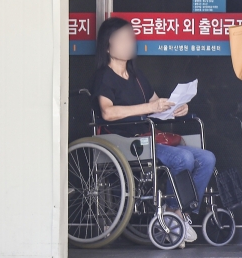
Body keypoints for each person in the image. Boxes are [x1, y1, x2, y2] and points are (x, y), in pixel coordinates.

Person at [90, 17, 216, 248]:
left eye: (131, 38)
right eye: (123, 39)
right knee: (183, 158)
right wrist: (149, 108)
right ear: (107, 46)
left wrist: (176, 108)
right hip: (124, 142)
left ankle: (178, 214)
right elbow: (107, 113)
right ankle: (170, 215)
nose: (130, 43)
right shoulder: (105, 76)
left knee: (207, 158)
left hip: (149, 139)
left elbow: (158, 104)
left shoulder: (137, 77)